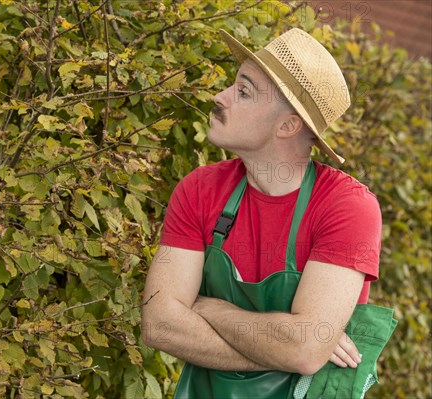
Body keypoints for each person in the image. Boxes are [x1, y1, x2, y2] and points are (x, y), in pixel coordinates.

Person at [141, 27, 390, 398]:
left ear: (288, 125)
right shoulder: (199, 189)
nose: (220, 97)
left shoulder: (347, 206)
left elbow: (306, 349)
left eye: (243, 92)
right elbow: (160, 325)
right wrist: (291, 348)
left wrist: (207, 307)